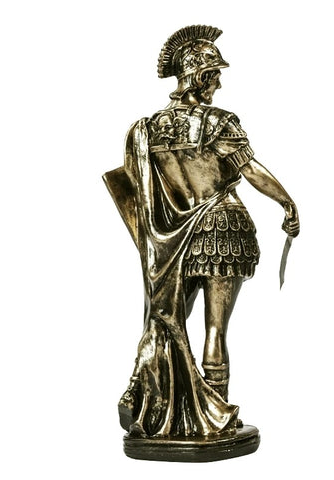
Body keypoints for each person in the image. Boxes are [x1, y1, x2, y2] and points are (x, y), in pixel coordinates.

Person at [104, 25, 299, 438]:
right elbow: (250, 170)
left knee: (164, 319)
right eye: (214, 75)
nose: (218, 84)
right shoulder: (218, 122)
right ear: (199, 76)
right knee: (215, 328)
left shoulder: (147, 129)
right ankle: (215, 415)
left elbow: (137, 190)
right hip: (223, 227)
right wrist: (286, 201)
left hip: (175, 237)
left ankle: (143, 388)